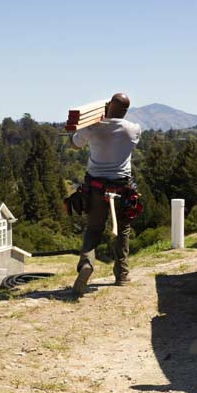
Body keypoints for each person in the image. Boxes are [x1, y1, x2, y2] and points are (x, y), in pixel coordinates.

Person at [69, 93, 142, 297]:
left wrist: (93, 121)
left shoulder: (92, 127)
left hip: (96, 188)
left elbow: (74, 144)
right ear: (126, 110)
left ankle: (86, 264)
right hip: (122, 188)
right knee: (123, 229)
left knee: (94, 230)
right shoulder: (133, 129)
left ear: (108, 106)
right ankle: (122, 275)